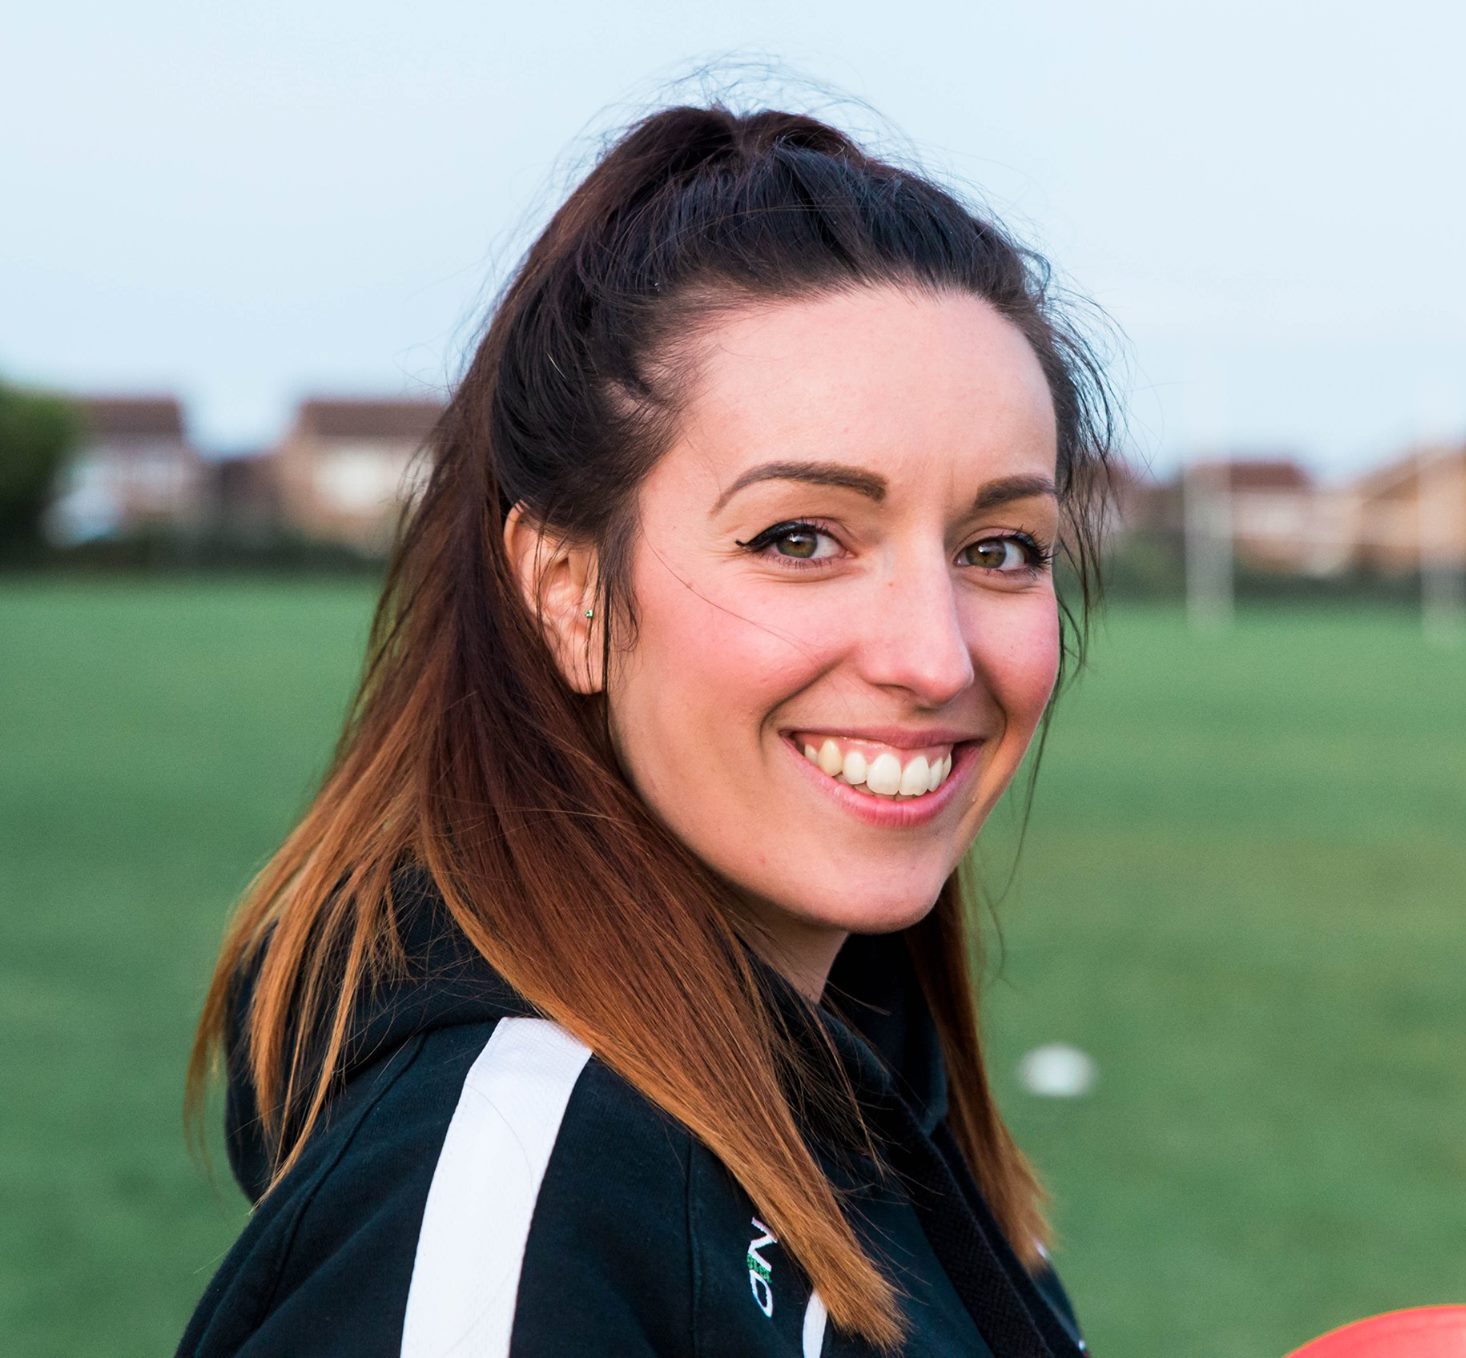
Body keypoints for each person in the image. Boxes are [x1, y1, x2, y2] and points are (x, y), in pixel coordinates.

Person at [178, 102, 1116, 1357]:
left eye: (1000, 548)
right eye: (798, 538)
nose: (934, 655)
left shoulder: (868, 1078)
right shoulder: (516, 1184)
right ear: (568, 589)